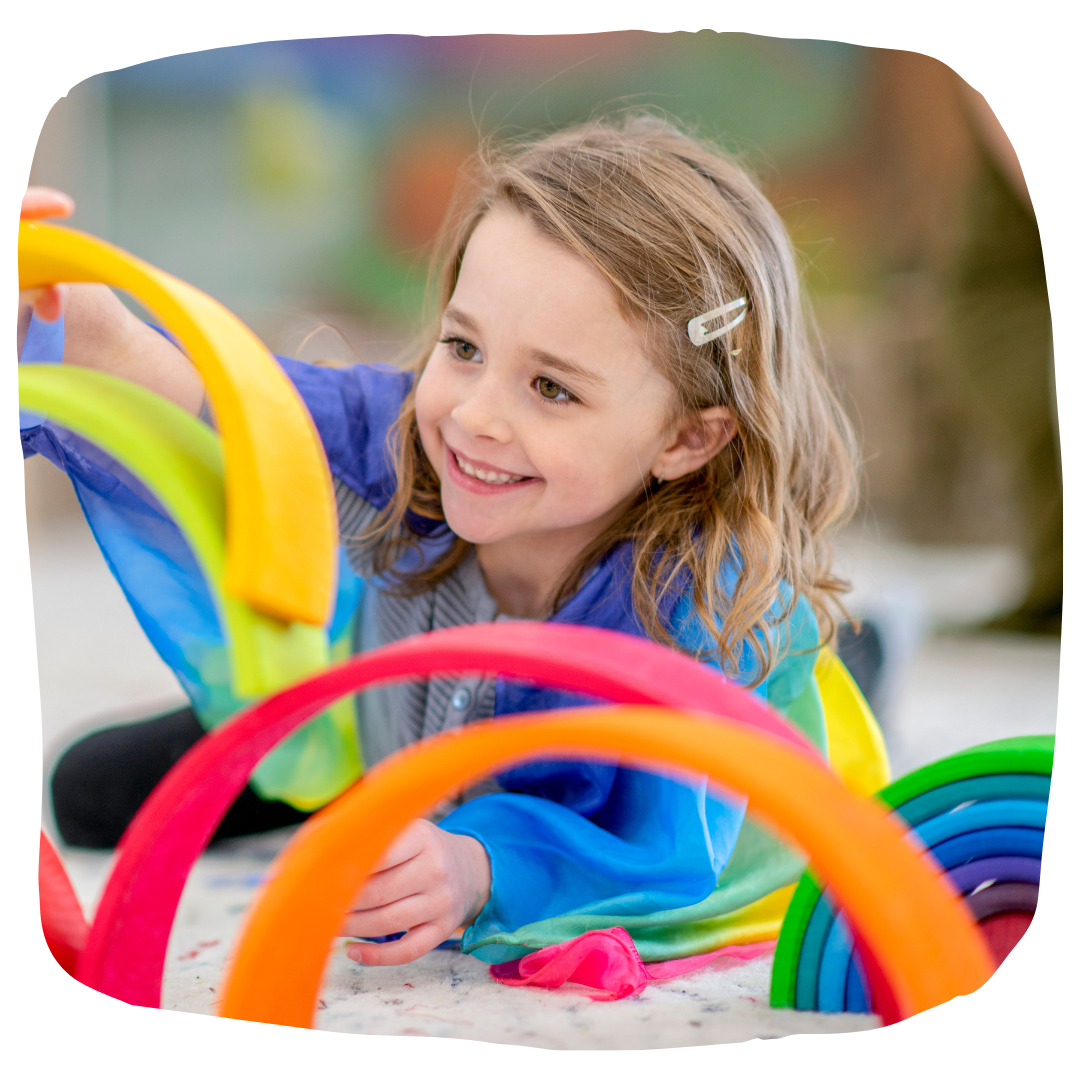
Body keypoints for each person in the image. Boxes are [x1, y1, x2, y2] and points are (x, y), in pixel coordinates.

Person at [20, 115, 858, 968]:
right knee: (88, 792)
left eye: (551, 388)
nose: (474, 414)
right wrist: (72, 318)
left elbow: (661, 849)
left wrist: (475, 867)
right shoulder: (403, 437)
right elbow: (226, 409)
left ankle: (858, 654)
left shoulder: (696, 611)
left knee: (803, 691)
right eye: (464, 347)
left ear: (685, 438)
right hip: (380, 732)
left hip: (568, 815)